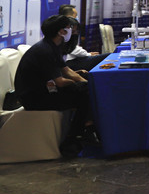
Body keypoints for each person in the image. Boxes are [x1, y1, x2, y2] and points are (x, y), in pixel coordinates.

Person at [14, 15, 97, 156]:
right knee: (84, 95)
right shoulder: (44, 50)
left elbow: (67, 70)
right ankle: (73, 137)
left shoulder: (52, 46)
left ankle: (85, 129)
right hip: (35, 98)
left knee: (86, 87)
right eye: (69, 28)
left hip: (46, 90)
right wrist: (81, 84)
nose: (71, 30)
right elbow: (60, 82)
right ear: (61, 32)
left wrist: (84, 81)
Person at [57, 4, 108, 71]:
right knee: (107, 56)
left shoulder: (69, 28)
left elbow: (72, 47)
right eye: (75, 15)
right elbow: (73, 49)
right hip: (70, 62)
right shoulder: (63, 30)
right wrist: (88, 54)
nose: (77, 17)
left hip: (75, 59)